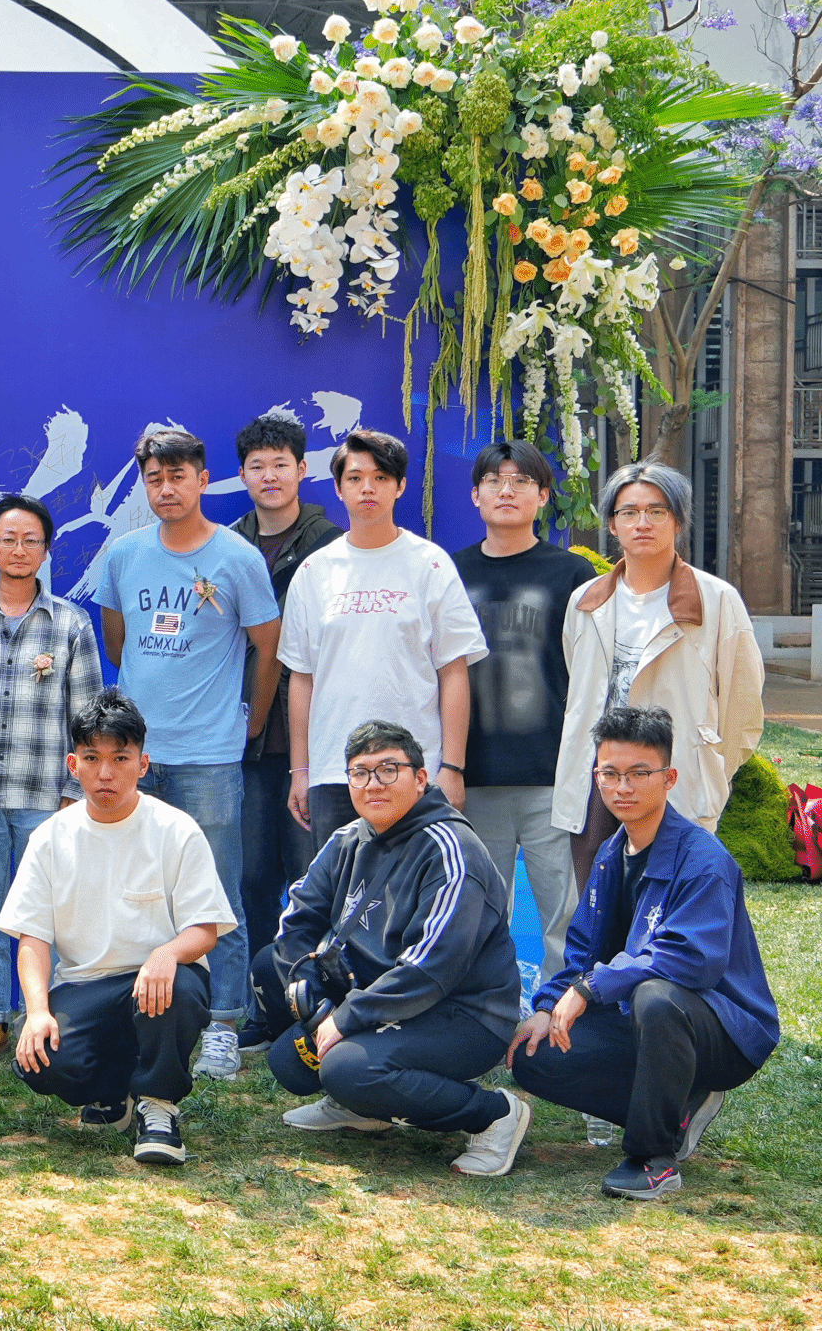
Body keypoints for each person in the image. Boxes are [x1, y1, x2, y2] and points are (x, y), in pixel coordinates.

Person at [511, 705, 780, 1199]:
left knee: (655, 996)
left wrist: (590, 988)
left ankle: (654, 1157)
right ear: (596, 777)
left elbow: (690, 959)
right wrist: (547, 1006)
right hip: (643, 1016)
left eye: (639, 774)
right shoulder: (611, 854)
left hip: (722, 1027)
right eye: (610, 774)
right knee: (535, 1055)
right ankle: (679, 1108)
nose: (623, 788)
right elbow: (581, 952)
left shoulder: (704, 860)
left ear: (668, 778)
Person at [257, 720, 530, 1177]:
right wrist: (316, 1003)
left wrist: (347, 1018)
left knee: (347, 1069)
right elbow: (297, 922)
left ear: (420, 778)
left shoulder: (452, 850)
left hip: (463, 1013)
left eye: (388, 770)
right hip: (378, 996)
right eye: (360, 773)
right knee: (276, 995)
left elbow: (431, 967)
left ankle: (494, 1115)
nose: (373, 784)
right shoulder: (349, 838)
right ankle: (362, 1105)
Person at [96, 429, 280, 1082]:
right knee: (136, 890)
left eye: (178, 476)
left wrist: (251, 722)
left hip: (210, 756)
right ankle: (136, 1012)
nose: (166, 489)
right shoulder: (124, 555)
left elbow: (267, 645)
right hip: (137, 758)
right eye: (155, 479)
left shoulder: (237, 558)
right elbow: (117, 644)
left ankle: (225, 1021)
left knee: (217, 891)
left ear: (203, 479)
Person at [1, 691, 236, 1167]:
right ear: (73, 764)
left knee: (178, 988)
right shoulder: (50, 838)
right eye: (92, 758)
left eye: (120, 758)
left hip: (159, 981)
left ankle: (159, 1105)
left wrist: (166, 953)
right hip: (85, 986)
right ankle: (114, 1092)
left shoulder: (176, 830)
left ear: (143, 764)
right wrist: (38, 1011)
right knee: (42, 1058)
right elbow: (33, 938)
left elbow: (205, 930)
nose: (105, 773)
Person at [0, 493, 102, 1067]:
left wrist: (75, 789)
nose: (19, 549)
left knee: (49, 913)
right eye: (8, 539)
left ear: (46, 550)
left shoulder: (71, 623)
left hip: (47, 796)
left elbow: (88, 716)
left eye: (31, 540)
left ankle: (47, 1019)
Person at [552, 462, 764, 886]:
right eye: (629, 512)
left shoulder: (716, 602)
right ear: (612, 524)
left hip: (675, 778)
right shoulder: (586, 602)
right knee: (597, 902)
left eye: (657, 511)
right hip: (598, 783)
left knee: (668, 902)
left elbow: (743, 709)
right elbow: (579, 686)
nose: (642, 523)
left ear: (678, 521)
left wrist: (707, 769)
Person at [280, 430, 488, 853]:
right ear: (338, 488)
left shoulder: (430, 565)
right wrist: (300, 771)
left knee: (418, 887)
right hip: (336, 772)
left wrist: (452, 767)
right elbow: (301, 678)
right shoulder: (315, 572)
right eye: (355, 478)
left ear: (401, 486)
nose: (367, 488)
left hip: (413, 770)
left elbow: (453, 671)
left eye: (380, 477)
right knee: (340, 890)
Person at [451, 441, 595, 980]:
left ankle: (565, 1006)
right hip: (473, 774)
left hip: (552, 774)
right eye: (494, 481)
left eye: (521, 481)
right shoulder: (449, 572)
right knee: (479, 913)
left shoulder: (573, 574)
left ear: (543, 496)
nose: (506, 491)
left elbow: (591, 674)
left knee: (566, 911)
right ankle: (488, 1009)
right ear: (475, 495)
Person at [229, 411, 342, 1056]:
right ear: (242, 476)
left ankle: (313, 1004)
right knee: (248, 877)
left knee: (310, 880)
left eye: (281, 464)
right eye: (257, 466)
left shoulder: (332, 547)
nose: (269, 476)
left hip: (314, 740)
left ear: (303, 469)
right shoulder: (226, 545)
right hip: (240, 740)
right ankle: (258, 1002)